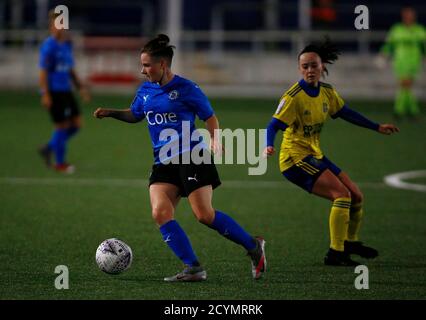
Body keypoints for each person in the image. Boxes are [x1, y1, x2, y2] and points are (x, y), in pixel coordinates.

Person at [93, 34, 266, 281]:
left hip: (192, 155)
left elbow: (210, 117)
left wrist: (215, 138)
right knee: (160, 213)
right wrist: (110, 113)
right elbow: (135, 114)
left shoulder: (187, 89)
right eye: (142, 65)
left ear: (163, 64)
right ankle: (193, 267)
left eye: (147, 65)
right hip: (163, 160)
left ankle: (253, 246)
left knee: (204, 215)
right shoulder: (145, 90)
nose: (143, 71)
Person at [264, 38, 399, 266]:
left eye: (314, 65)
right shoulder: (293, 96)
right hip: (294, 159)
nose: (309, 70)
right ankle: (336, 253)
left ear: (323, 66)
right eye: (305, 66)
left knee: (356, 195)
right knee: (341, 195)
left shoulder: (327, 92)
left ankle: (350, 242)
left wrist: (377, 126)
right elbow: (273, 125)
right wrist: (268, 144)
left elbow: (347, 113)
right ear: (299, 69)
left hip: (314, 154)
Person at [38, 10, 90, 173]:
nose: (59, 28)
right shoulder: (49, 46)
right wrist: (45, 94)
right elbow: (43, 73)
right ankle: (60, 163)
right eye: (55, 24)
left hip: (66, 91)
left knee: (76, 124)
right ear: (51, 26)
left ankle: (49, 147)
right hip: (54, 92)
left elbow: (70, 69)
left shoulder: (66, 44)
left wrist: (80, 88)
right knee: (62, 126)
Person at [380, 6, 426, 119]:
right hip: (400, 61)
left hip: (414, 61)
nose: (408, 17)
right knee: (405, 84)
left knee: (406, 85)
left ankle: (401, 110)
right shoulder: (397, 29)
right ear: (403, 16)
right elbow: (389, 44)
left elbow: (423, 46)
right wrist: (383, 55)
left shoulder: (420, 30)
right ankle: (409, 111)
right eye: (406, 15)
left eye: (410, 15)